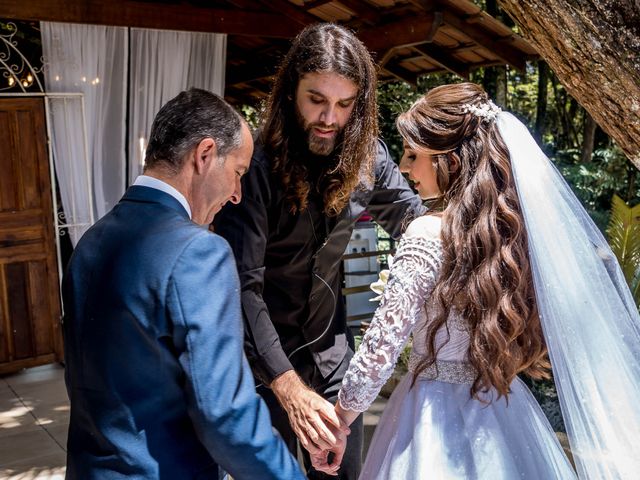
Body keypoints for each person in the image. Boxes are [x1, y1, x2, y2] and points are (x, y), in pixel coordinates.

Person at [313, 82, 640, 478]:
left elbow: (382, 347)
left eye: (414, 154)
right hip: (502, 408)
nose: (403, 167)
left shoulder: (425, 235)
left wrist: (341, 420)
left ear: (449, 160)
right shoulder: (509, 240)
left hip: (430, 418)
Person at [213, 23, 425, 479]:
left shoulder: (370, 159)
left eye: (345, 104)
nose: (330, 117)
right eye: (317, 100)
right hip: (265, 372)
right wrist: (287, 388)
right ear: (291, 91)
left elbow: (416, 226)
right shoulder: (255, 168)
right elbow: (242, 289)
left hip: (334, 363)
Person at [62, 88, 304, 480]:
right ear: (205, 154)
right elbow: (226, 414)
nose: (238, 194)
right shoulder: (200, 253)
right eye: (238, 173)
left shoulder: (91, 242)